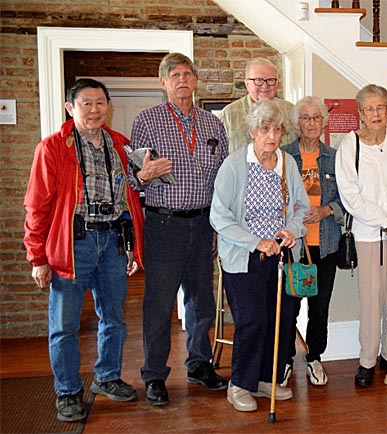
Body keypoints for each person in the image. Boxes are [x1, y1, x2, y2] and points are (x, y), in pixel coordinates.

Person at [24, 78, 144, 422]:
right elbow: (37, 207)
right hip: (71, 244)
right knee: (63, 325)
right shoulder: (52, 148)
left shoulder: (121, 145)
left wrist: (131, 247)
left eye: (100, 103)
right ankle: (68, 390)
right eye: (86, 103)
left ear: (109, 106)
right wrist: (38, 257)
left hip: (112, 243)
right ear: (70, 108)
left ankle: (107, 377)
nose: (94, 110)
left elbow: (130, 199)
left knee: (115, 319)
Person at [129, 53, 229, 406]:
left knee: (202, 300)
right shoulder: (147, 121)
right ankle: (154, 375)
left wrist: (219, 225)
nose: (182, 80)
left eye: (188, 73)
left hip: (204, 223)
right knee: (159, 304)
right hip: (164, 224)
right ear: (163, 82)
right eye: (175, 75)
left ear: (195, 79)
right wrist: (144, 175)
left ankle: (199, 364)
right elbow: (132, 176)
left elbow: (224, 180)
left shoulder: (213, 124)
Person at [210, 98, 310, 412]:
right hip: (245, 256)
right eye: (265, 129)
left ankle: (266, 379)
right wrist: (255, 242)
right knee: (251, 320)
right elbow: (219, 215)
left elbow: (300, 208)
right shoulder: (235, 164)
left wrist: (292, 230)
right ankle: (239, 383)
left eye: (277, 129)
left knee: (278, 319)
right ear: (252, 131)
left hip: (281, 255)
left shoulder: (287, 164)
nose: (271, 135)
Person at [335, 84, 387, 387]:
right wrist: (384, 220)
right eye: (369, 109)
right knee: (371, 299)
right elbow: (349, 195)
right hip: (369, 234)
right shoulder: (349, 144)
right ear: (360, 113)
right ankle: (368, 360)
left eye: (381, 108)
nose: (375, 114)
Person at [281, 96, 344, 386]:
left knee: (320, 308)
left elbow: (346, 201)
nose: (311, 123)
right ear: (296, 123)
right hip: (293, 246)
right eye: (305, 118)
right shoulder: (283, 156)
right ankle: (283, 360)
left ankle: (314, 357)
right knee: (288, 307)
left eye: (316, 117)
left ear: (323, 121)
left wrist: (327, 210)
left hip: (326, 244)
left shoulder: (334, 157)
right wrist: (287, 210)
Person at [219, 57, 297, 154]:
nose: (265, 86)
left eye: (271, 80)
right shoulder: (228, 116)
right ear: (247, 83)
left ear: (277, 83)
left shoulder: (290, 111)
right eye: (258, 80)